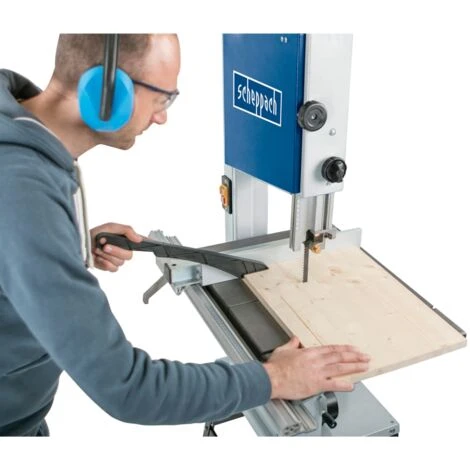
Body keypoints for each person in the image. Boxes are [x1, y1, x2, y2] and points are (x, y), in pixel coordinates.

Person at [0, 34, 370, 436]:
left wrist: (59, 246)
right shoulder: (22, 190)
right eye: (162, 99)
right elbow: (129, 389)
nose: (162, 118)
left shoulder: (16, 130)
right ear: (107, 92)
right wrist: (276, 379)